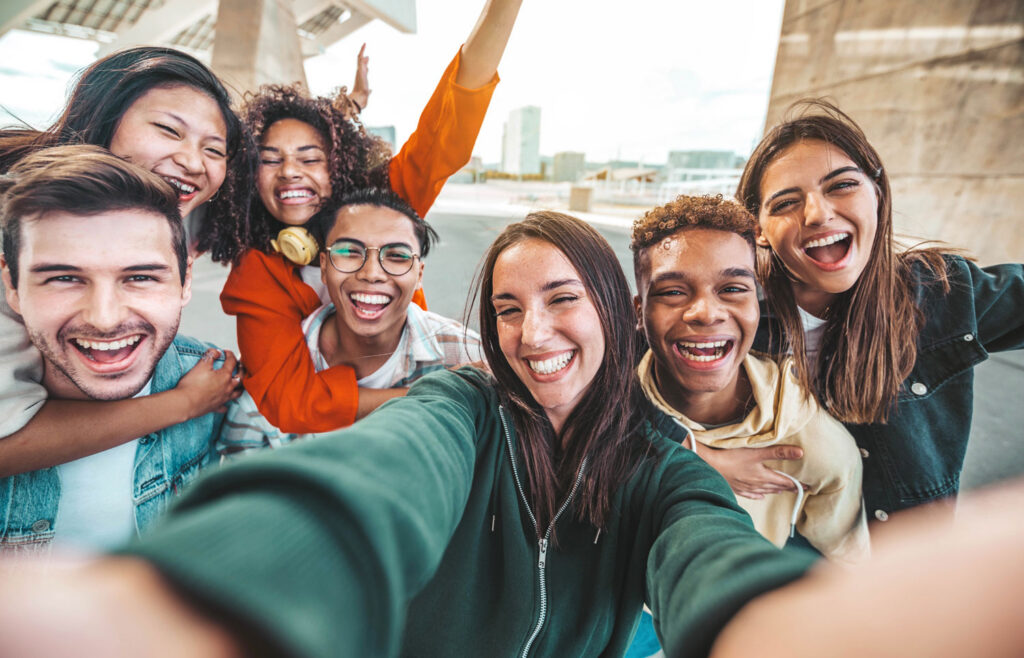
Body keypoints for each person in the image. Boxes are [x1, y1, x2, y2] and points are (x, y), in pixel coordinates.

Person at [0, 211, 819, 656]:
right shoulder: (459, 407)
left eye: (562, 299)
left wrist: (774, 625)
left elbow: (709, 550)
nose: (532, 335)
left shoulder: (659, 467)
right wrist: (209, 590)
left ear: (616, 308)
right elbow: (374, 478)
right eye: (506, 309)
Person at [213, 0, 523, 434]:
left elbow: (447, 132)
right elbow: (289, 403)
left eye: (310, 157)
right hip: (338, 435)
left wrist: (503, 7)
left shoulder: (383, 206)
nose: (289, 172)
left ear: (337, 164)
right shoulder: (257, 272)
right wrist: (434, 394)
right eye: (270, 160)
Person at [714, 100, 1024, 521]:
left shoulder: (940, 292)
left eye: (841, 185)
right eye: (785, 202)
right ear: (760, 232)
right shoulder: (729, 315)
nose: (818, 213)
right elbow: (618, 394)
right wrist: (698, 458)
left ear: (876, 193)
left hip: (909, 572)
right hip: (788, 570)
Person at [625, 194, 868, 658]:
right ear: (639, 311)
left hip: (725, 617)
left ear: (758, 301)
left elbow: (849, 564)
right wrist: (697, 456)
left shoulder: (813, 446)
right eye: (673, 291)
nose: (705, 313)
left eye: (732, 289)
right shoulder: (601, 401)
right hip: (615, 608)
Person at [0, 146, 263, 551]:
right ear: (12, 286)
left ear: (185, 279)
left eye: (139, 277)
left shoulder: (219, 382)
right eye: (64, 278)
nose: (104, 319)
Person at [0, 46, 246, 477]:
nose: (192, 162)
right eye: (169, 130)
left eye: (214, 150)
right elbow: (7, 440)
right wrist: (184, 403)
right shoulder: (19, 225)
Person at [218, 188, 482, 453]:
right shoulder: (266, 389)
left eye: (397, 256)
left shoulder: (471, 358)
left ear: (419, 275)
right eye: (349, 251)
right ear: (323, 266)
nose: (371, 273)